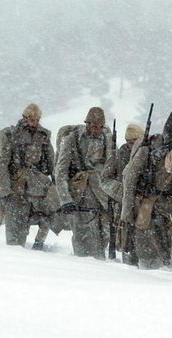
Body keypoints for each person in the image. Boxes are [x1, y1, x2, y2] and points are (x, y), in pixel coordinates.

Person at [121, 113, 172, 269]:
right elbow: (130, 178)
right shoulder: (149, 149)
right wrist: (128, 211)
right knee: (149, 255)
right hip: (150, 204)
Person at [55, 107, 112, 259]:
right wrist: (65, 200)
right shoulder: (71, 139)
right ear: (87, 123)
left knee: (103, 239)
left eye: (100, 127)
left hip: (102, 198)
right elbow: (60, 172)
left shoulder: (107, 140)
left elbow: (114, 169)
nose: (97, 130)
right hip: (78, 197)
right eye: (94, 126)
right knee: (81, 241)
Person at [0, 103, 55, 247]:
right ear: (24, 117)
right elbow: (3, 163)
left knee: (48, 213)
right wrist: (5, 189)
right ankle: (17, 252)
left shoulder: (43, 135)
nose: (34, 122)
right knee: (15, 227)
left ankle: (39, 242)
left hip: (37, 184)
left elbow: (51, 162)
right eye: (31, 118)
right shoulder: (11, 134)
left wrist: (51, 179)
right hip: (16, 184)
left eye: (37, 119)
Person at [101, 123, 144, 265]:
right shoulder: (119, 154)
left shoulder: (147, 153)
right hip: (124, 207)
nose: (130, 145)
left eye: (134, 142)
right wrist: (124, 192)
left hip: (144, 206)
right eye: (128, 142)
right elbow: (104, 179)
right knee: (126, 241)